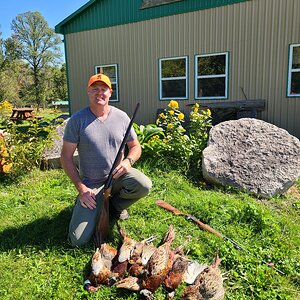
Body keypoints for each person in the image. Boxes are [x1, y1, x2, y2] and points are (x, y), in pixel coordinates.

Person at [60, 73, 152, 247]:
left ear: (110, 92)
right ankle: (89, 203)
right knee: (77, 241)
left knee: (143, 184)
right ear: (88, 91)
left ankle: (114, 208)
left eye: (103, 89)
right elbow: (65, 157)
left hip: (117, 178)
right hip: (91, 185)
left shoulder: (122, 117)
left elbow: (136, 147)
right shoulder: (77, 121)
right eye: (95, 89)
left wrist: (128, 163)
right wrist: (81, 188)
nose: (99, 93)